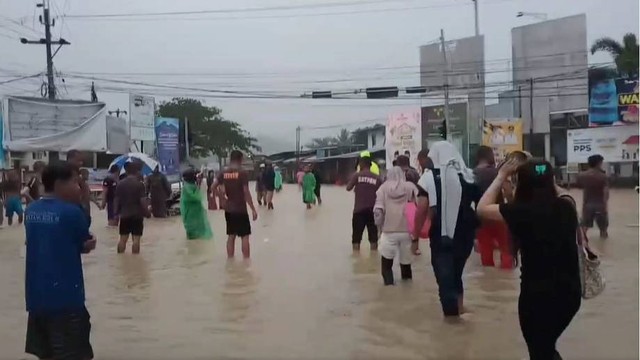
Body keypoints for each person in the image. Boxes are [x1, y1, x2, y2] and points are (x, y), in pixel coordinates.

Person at [477, 159, 581, 360]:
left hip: (536, 298)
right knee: (545, 348)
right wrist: (540, 168)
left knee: (539, 350)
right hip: (570, 295)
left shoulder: (520, 212)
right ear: (551, 181)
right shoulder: (567, 206)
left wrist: (501, 175)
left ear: (522, 183)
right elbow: (560, 192)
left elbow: (482, 208)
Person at [24, 161, 96, 360]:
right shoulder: (72, 212)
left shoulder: (31, 211)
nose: (78, 187)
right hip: (66, 301)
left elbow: (48, 243)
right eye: (74, 182)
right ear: (58, 184)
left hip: (36, 300)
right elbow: (83, 239)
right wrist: (85, 200)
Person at [413, 142, 480, 318]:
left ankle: (452, 320)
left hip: (441, 236)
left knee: (445, 277)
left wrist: (415, 238)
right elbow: (479, 206)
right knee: (456, 272)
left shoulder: (428, 178)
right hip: (465, 234)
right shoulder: (468, 177)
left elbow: (421, 209)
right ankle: (460, 308)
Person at [374, 166, 417, 285]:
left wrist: (379, 228)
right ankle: (408, 292)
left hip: (388, 231)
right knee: (406, 265)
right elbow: (418, 207)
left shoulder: (383, 188)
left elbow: (378, 211)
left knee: (386, 266)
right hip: (407, 232)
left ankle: (389, 290)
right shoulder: (410, 187)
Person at [213, 150, 258, 258]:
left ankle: (230, 260)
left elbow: (213, 187)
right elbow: (246, 192)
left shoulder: (223, 173)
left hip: (229, 209)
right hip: (240, 209)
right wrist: (253, 209)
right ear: (240, 159)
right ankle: (246, 262)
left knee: (231, 236)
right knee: (245, 236)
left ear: (230, 158)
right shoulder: (242, 173)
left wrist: (222, 199)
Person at [473, 146, 513, 269]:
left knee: (486, 255)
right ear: (490, 156)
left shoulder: (471, 174)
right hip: (499, 214)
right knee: (506, 251)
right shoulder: (498, 173)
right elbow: (508, 192)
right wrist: (512, 208)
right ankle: (506, 281)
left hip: (481, 219)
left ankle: (489, 281)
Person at [347, 157, 382, 251]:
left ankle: (356, 257)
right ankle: (374, 258)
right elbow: (382, 193)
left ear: (361, 164)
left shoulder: (357, 176)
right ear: (370, 165)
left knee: (356, 238)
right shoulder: (377, 178)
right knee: (373, 238)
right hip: (373, 211)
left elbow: (348, 188)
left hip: (359, 210)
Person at [114, 161, 149, 254]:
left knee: (122, 239)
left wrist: (115, 213)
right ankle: (135, 261)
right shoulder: (140, 184)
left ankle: (120, 259)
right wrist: (147, 213)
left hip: (124, 215)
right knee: (136, 240)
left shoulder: (120, 184)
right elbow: (142, 201)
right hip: (137, 216)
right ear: (135, 171)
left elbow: (116, 200)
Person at [577, 154, 609, 239]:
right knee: (603, 230)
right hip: (600, 205)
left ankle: (582, 246)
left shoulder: (582, 176)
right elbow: (606, 193)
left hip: (587, 205)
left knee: (584, 228)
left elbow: (579, 186)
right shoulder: (603, 176)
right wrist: (605, 206)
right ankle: (603, 249)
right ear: (599, 163)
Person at [180, 169, 213, 240]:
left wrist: (199, 183)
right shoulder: (187, 187)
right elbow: (197, 197)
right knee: (195, 236)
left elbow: (199, 196)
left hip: (193, 215)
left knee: (196, 237)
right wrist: (199, 184)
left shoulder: (190, 186)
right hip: (192, 215)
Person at [67, 150, 92, 223]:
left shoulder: (79, 175)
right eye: (78, 160)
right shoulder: (66, 175)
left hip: (83, 212)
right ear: (70, 159)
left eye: (81, 161)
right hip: (73, 212)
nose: (81, 163)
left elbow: (87, 194)